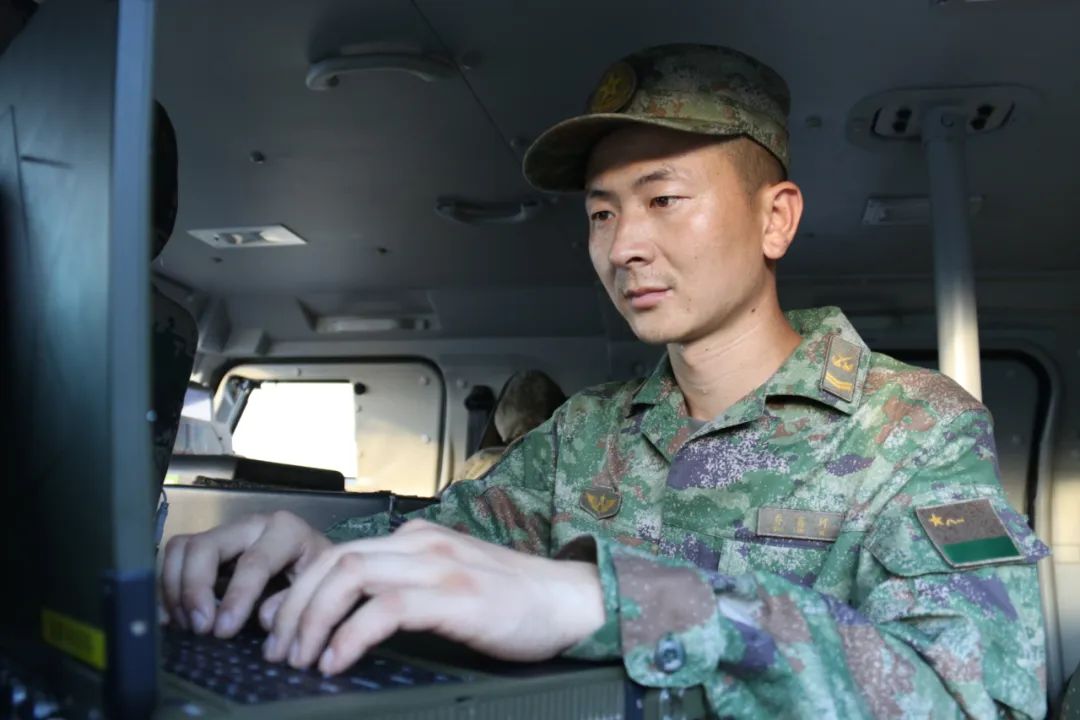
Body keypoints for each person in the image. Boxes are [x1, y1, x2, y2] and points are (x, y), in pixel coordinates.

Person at [160, 44, 1050, 718]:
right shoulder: (586, 435)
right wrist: (321, 552)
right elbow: (444, 544)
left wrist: (608, 601)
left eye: (663, 200)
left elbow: (975, 696)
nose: (623, 246)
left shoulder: (915, 428)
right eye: (600, 213)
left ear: (775, 220)